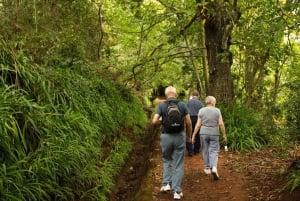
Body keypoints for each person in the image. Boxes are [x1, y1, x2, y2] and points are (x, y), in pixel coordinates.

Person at [152, 86, 192, 200]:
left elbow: (154, 121)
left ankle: (166, 184)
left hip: (166, 137)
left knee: (167, 160)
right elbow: (188, 122)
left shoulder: (162, 106)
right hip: (179, 136)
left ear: (166, 95)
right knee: (178, 164)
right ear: (175, 94)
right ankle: (177, 191)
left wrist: (161, 122)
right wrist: (189, 137)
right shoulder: (182, 105)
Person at [191, 96, 227, 180]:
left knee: (205, 150)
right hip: (214, 133)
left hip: (203, 133)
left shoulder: (201, 110)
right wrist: (224, 134)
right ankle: (214, 167)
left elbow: (198, 125)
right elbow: (221, 124)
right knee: (214, 150)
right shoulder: (217, 110)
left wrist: (193, 135)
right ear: (213, 102)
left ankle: (207, 168)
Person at [186, 90, 203, 156]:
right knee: (197, 133)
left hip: (189, 119)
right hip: (197, 119)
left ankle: (190, 150)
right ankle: (196, 150)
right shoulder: (200, 103)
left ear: (192, 95)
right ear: (198, 95)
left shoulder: (187, 102)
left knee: (189, 134)